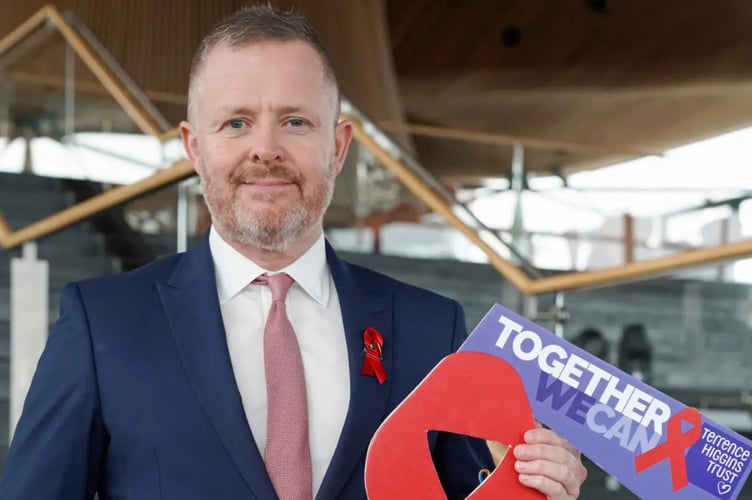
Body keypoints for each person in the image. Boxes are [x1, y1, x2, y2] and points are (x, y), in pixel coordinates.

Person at [0, 5, 586, 499]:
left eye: (296, 121)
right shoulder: (102, 323)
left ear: (338, 146)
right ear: (193, 148)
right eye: (235, 123)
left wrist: (539, 485)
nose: (265, 149)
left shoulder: (431, 329)